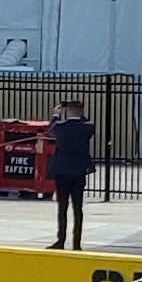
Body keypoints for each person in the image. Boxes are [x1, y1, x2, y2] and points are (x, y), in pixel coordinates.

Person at [48, 97, 93, 249]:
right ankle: (76, 243)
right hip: (79, 171)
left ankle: (61, 240)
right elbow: (86, 123)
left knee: (62, 207)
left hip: (62, 171)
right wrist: (79, 113)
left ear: (67, 111)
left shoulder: (60, 126)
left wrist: (56, 115)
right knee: (78, 207)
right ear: (81, 112)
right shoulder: (88, 127)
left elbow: (50, 132)